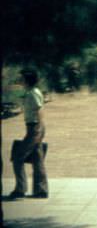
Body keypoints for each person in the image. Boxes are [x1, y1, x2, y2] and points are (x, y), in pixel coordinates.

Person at [8, 69, 48, 200]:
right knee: (37, 159)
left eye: (21, 78)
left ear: (27, 80)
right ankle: (41, 191)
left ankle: (20, 189)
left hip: (34, 127)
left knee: (18, 157)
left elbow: (39, 109)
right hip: (33, 127)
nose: (19, 80)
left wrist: (39, 129)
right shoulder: (29, 92)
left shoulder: (33, 93)